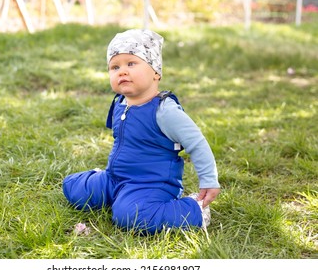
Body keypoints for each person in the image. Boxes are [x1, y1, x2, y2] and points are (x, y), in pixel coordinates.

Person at [63, 29, 220, 234]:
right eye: (115, 66)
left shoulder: (164, 111)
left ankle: (193, 210)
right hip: (115, 177)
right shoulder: (120, 103)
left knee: (130, 216)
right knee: (72, 187)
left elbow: (197, 143)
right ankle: (106, 185)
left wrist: (208, 180)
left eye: (131, 63)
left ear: (156, 72)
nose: (122, 71)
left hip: (150, 184)